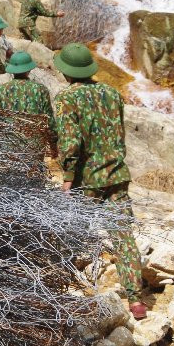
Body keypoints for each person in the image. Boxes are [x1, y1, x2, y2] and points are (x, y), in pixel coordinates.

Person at [53, 42, 146, 319]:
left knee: (71, 232)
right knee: (123, 236)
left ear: (66, 72)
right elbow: (118, 133)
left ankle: (56, 289)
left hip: (88, 179)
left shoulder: (67, 98)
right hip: (117, 174)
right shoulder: (112, 93)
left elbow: (71, 143)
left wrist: (68, 177)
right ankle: (136, 301)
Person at [0, 51, 57, 154]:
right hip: (34, 145)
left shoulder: (1, 90)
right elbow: (48, 121)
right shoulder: (40, 90)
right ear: (30, 69)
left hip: (9, 144)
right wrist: (53, 144)